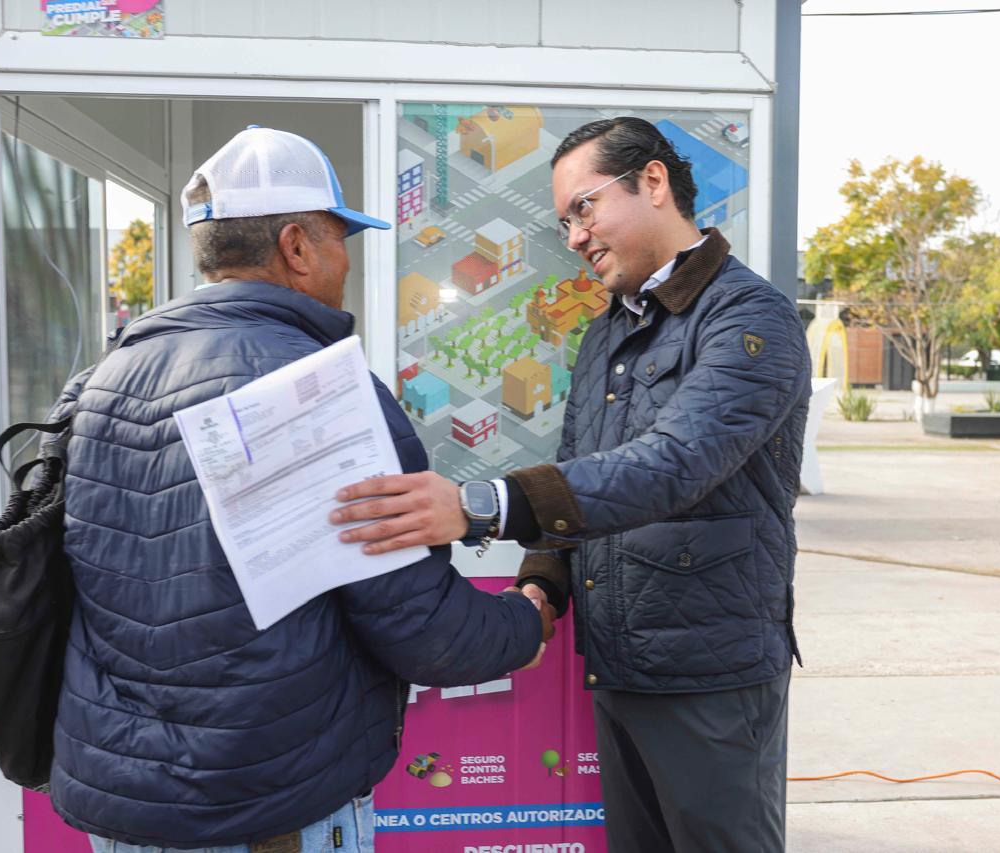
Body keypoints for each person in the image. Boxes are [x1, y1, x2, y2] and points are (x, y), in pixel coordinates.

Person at [49, 126, 552, 853]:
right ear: (296, 245)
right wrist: (524, 621)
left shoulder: (101, 381)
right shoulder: (314, 395)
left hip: (126, 805)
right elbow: (421, 629)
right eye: (339, 237)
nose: (346, 260)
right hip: (266, 806)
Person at [331, 117, 812, 853]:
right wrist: (543, 587)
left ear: (653, 182)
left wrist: (475, 505)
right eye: (562, 222)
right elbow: (579, 462)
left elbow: (673, 463)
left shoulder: (749, 318)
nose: (576, 236)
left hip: (709, 673)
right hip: (619, 664)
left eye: (584, 207)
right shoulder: (610, 328)